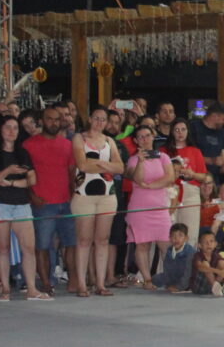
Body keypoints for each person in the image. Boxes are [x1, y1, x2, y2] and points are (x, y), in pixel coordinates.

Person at [71, 106, 125, 297]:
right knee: (84, 240)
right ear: (90, 118)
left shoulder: (109, 140)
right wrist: (105, 166)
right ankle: (82, 284)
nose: (100, 122)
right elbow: (82, 164)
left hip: (107, 195)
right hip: (84, 194)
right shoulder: (80, 138)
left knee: (102, 239)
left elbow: (120, 167)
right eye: (96, 118)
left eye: (103, 119)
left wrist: (102, 165)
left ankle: (101, 283)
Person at [26, 106, 79, 296]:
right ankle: (46, 282)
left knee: (71, 243)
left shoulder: (67, 144)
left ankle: (73, 280)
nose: (54, 123)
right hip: (43, 204)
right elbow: (25, 173)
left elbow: (71, 172)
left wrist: (72, 194)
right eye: (49, 119)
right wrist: (32, 196)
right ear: (42, 121)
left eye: (57, 119)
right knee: (43, 245)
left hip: (65, 202)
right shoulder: (29, 145)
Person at [124, 124, 177, 290]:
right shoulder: (133, 160)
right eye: (141, 137)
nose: (145, 139)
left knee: (166, 244)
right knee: (142, 245)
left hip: (159, 207)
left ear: (153, 137)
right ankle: (147, 279)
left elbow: (170, 177)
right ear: (136, 141)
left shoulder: (164, 157)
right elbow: (137, 179)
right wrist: (140, 161)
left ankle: (170, 278)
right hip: (139, 207)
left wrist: (151, 186)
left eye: (147, 135)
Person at [154, 223, 196, 293]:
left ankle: (183, 286)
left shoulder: (190, 252)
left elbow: (188, 273)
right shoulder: (169, 250)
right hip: (174, 276)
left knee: (190, 280)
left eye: (180, 236)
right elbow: (166, 269)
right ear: (169, 238)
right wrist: (168, 283)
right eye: (173, 236)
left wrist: (178, 287)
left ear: (186, 238)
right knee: (155, 278)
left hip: (188, 278)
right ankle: (171, 284)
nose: (176, 239)